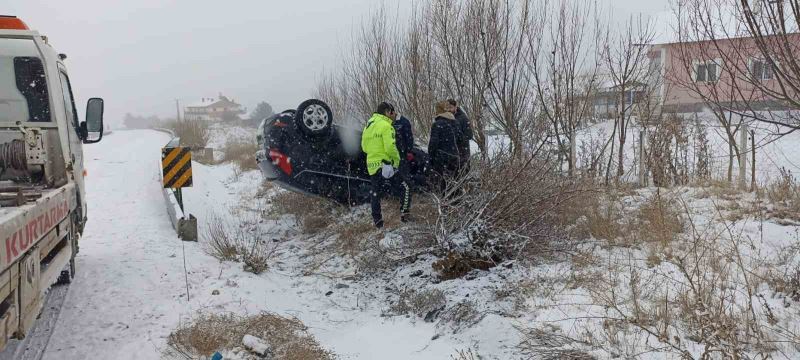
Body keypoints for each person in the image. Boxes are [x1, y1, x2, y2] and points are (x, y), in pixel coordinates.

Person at [361, 102, 411, 228]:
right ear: (387, 111)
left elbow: (364, 147)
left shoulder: (368, 125)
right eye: (390, 112)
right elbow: (390, 147)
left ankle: (378, 223)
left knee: (375, 193)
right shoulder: (386, 125)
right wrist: (396, 160)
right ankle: (405, 216)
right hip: (386, 164)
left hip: (372, 165)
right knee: (406, 186)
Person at [428, 101, 460, 191]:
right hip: (454, 155)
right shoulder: (454, 122)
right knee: (454, 182)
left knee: (443, 184)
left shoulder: (437, 124)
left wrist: (431, 156)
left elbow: (433, 143)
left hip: (442, 157)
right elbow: (459, 138)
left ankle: (444, 202)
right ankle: (456, 202)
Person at [447, 99, 473, 172]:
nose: (449, 109)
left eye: (451, 107)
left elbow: (469, 135)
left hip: (462, 151)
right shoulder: (446, 118)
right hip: (450, 152)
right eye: (447, 107)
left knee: (462, 172)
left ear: (455, 107)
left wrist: (458, 138)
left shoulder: (463, 118)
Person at [393, 113, 414, 179]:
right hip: (394, 152)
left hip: (402, 152)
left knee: (403, 173)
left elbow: (409, 137)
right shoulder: (388, 122)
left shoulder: (403, 122)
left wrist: (409, 151)